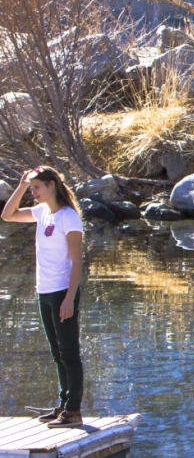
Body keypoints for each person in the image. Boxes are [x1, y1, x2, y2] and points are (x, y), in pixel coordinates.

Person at [2, 166, 84, 428]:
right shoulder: (41, 213)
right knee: (56, 352)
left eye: (37, 187)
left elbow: (77, 261)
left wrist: (70, 299)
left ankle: (73, 411)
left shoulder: (68, 218)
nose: (33, 193)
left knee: (69, 353)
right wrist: (22, 185)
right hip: (44, 291)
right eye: (32, 188)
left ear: (51, 185)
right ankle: (63, 404)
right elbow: (8, 215)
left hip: (62, 292)